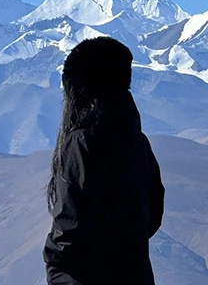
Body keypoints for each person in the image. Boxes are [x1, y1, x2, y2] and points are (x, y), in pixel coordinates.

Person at [43, 37, 165, 285]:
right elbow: (153, 213)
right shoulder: (138, 141)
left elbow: (72, 222)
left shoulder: (82, 143)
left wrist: (54, 260)